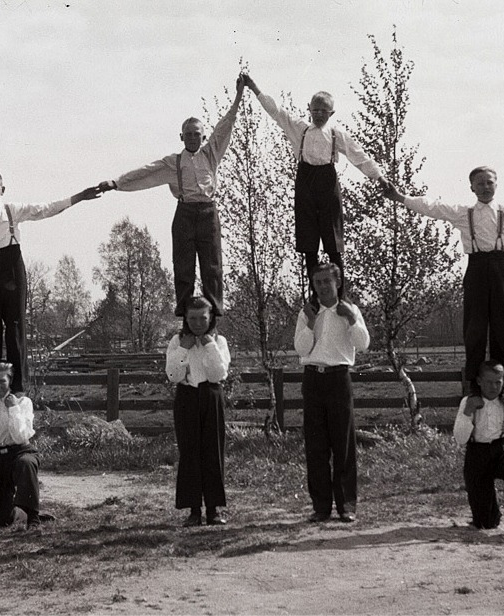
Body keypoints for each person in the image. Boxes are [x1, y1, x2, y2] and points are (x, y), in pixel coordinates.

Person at [0, 170, 101, 393]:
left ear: (3, 190)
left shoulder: (14, 211)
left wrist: (78, 197)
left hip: (12, 267)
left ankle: (19, 386)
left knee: (15, 325)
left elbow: (46, 209)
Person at [242, 74, 402, 300]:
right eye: (314, 110)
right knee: (308, 243)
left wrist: (380, 178)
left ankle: (340, 294)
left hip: (327, 182)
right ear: (309, 109)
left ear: (331, 113)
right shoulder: (299, 129)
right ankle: (315, 297)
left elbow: (359, 157)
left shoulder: (337, 134)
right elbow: (275, 111)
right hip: (305, 181)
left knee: (333, 242)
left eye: (323, 111)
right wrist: (254, 87)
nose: (318, 114)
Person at [98, 75, 245, 317]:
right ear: (181, 137)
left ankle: (213, 316)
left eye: (196, 133)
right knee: (184, 266)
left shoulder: (212, 153)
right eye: (188, 134)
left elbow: (227, 123)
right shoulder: (173, 163)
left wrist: (239, 93)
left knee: (212, 266)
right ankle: (186, 317)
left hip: (208, 213)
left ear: (203, 136)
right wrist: (116, 183)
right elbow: (146, 172)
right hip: (185, 213)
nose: (192, 138)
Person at [386, 167, 504, 394]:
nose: (485, 187)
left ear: (496, 184)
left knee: (501, 328)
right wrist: (401, 198)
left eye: (489, 183)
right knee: (475, 328)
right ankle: (473, 386)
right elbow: (433, 207)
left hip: (501, 268)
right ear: (472, 187)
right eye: (480, 183)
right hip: (476, 268)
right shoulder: (465, 213)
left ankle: (502, 386)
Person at [294, 262, 370, 523]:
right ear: (313, 285)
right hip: (313, 379)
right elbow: (302, 349)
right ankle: (321, 506)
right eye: (318, 282)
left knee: (343, 444)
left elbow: (363, 344)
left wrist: (350, 319)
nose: (323, 287)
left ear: (338, 283)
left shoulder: (350, 310)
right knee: (316, 446)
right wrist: (311, 323)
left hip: (338, 379)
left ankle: (346, 505)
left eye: (328, 281)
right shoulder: (307, 313)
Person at [164, 296, 231, 527]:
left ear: (210, 317)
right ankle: (193, 510)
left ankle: (213, 509)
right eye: (192, 318)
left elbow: (218, 374)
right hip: (187, 397)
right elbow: (173, 375)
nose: (197, 323)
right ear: (185, 318)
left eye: (202, 318)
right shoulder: (177, 341)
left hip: (211, 395)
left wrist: (209, 344)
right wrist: (184, 348)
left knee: (213, 450)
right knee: (190, 452)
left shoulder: (219, 341)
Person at [453, 361, 504, 536]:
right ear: (479, 381)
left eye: (498, 382)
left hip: (501, 451)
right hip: (477, 454)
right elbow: (460, 439)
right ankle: (490, 511)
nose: (494, 387)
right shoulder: (468, 401)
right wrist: (468, 411)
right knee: (485, 524)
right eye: (489, 382)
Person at [0, 361, 48, 529]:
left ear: (10, 380)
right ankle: (20, 513)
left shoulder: (23, 402)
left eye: (1, 381)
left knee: (25, 464)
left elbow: (21, 437)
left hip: (22, 451)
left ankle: (33, 517)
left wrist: (13, 409)